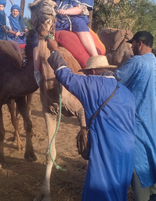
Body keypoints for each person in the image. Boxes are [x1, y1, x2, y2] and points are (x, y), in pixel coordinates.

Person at [46, 38, 135, 201]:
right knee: (118, 192)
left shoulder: (93, 84)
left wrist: (54, 51)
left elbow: (66, 76)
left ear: (93, 72)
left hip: (107, 148)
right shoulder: (126, 91)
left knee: (99, 192)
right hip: (128, 149)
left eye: (88, 73)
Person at [115, 31, 156, 201]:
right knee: (152, 156)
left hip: (140, 121)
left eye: (132, 44)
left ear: (139, 43)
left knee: (138, 162)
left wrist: (98, 74)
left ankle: (142, 197)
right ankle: (155, 194)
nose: (131, 47)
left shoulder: (136, 62)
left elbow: (116, 80)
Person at [34, 0, 98, 85]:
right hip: (57, 20)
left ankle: (96, 59)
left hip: (74, 19)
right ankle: (36, 72)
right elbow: (48, 2)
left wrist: (66, 11)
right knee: (39, 35)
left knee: (80, 24)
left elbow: (81, 9)